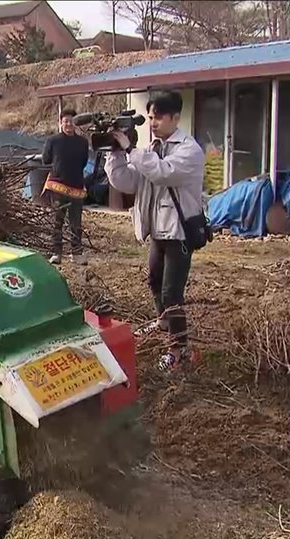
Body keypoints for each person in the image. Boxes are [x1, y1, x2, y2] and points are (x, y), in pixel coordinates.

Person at [104, 90, 206, 371]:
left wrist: (130, 150)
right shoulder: (150, 150)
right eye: (150, 117)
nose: (152, 122)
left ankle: (179, 350)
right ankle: (164, 322)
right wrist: (115, 156)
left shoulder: (189, 150)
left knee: (172, 294)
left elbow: (163, 173)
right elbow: (127, 182)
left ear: (175, 117)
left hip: (179, 232)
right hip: (157, 231)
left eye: (159, 117)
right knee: (154, 282)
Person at [42, 108, 90, 265]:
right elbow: (46, 159)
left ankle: (77, 253)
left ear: (76, 123)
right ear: (61, 123)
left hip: (76, 187)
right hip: (58, 187)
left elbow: (84, 162)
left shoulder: (83, 142)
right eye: (65, 121)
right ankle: (56, 253)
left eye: (71, 121)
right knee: (57, 221)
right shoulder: (53, 140)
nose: (69, 124)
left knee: (76, 223)